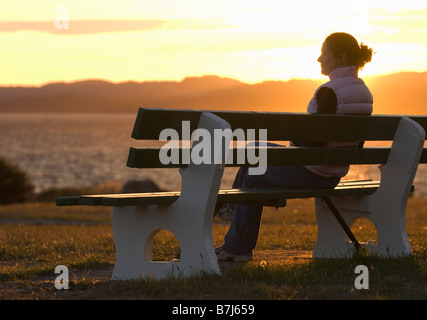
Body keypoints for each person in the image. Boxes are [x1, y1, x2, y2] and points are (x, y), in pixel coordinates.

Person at [215, 32, 374, 262]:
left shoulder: (329, 92)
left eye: (324, 53)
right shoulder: (363, 92)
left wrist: (295, 140)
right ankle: (232, 207)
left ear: (340, 58)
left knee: (253, 173)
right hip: (334, 173)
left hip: (312, 172)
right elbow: (356, 141)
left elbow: (315, 141)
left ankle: (237, 247)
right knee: (255, 148)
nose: (319, 59)